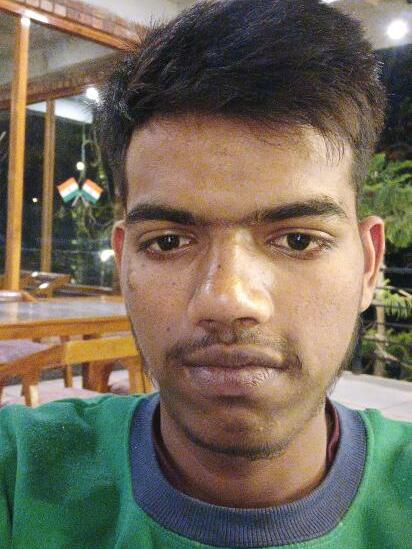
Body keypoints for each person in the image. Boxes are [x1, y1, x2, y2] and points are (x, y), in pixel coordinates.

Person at [0, 1, 411, 547]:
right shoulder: (19, 475)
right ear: (123, 264)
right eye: (168, 242)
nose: (227, 300)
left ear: (369, 265)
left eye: (298, 240)